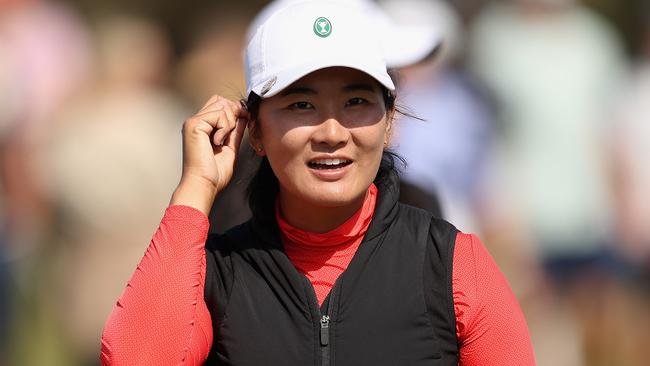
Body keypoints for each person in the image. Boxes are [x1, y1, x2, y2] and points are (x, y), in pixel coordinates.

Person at [100, 2, 535, 365]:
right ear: (255, 132)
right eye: (301, 103)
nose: (331, 131)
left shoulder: (451, 262)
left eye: (357, 101)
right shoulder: (217, 270)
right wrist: (196, 185)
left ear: (389, 123)